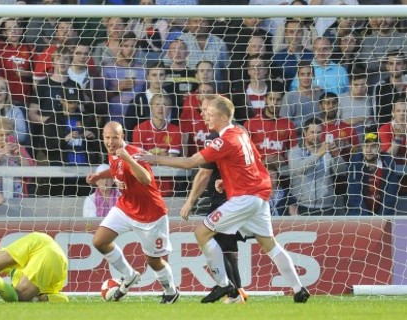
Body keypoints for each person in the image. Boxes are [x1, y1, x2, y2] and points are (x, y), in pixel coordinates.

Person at [141, 95, 310, 303]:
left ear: (222, 116)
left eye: (210, 114)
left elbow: (191, 162)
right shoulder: (241, 133)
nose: (206, 118)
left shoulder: (223, 140)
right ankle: (299, 289)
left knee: (202, 233)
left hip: (245, 198)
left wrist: (153, 158)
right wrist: (226, 181)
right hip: (258, 196)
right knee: (270, 245)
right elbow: (252, 164)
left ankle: (223, 284)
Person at [86, 121, 179, 304]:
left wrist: (128, 158)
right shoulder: (113, 152)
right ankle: (129, 276)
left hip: (150, 214)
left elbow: (145, 179)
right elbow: (115, 169)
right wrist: (99, 176)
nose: (110, 142)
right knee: (99, 241)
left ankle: (171, 291)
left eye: (115, 138)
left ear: (122, 137)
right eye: (107, 138)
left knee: (153, 261)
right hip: (125, 207)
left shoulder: (134, 154)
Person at [181, 95, 248, 304]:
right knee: (225, 246)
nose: (203, 114)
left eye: (206, 110)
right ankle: (236, 291)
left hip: (226, 198)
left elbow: (203, 173)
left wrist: (190, 201)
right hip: (240, 194)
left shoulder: (216, 136)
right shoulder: (241, 131)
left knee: (214, 241)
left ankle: (232, 290)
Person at [347, 133, 400, 216]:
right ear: (362, 148)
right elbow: (354, 196)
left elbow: (391, 196)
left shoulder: (388, 164)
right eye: (366, 146)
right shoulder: (355, 165)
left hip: (383, 215)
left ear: (380, 148)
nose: (369, 150)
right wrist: (366, 219)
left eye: (373, 146)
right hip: (360, 216)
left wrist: (380, 219)